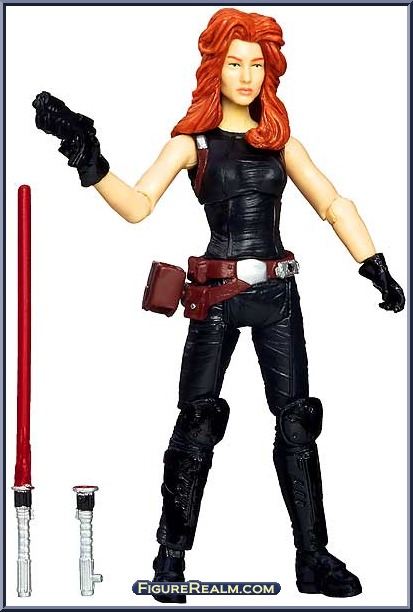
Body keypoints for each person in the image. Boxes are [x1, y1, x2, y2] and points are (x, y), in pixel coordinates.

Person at [32, 7, 405, 603]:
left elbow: (333, 203)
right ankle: (170, 556)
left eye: (256, 64)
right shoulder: (192, 145)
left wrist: (373, 264)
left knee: (298, 425)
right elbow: (137, 206)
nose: (246, 75)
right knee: (196, 422)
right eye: (235, 63)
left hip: (277, 295)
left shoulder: (280, 144)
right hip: (214, 297)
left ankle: (313, 557)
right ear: (215, 68)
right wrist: (88, 154)